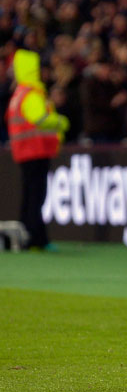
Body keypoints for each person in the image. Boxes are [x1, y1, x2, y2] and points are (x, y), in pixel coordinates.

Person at [5, 49, 69, 250]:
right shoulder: (31, 94)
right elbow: (39, 118)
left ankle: (24, 237)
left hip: (24, 151)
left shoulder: (18, 94)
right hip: (36, 151)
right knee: (36, 197)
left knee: (28, 196)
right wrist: (60, 122)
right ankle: (36, 239)